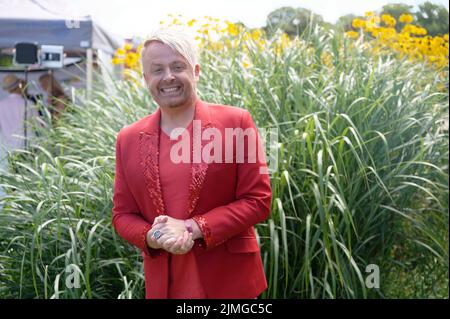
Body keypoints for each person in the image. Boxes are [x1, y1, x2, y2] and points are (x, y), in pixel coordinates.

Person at [112, 28, 272, 299]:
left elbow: (258, 200)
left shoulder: (237, 123)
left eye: (178, 66)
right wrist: (153, 237)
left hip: (231, 286)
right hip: (166, 287)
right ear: (145, 79)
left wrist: (192, 228)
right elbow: (122, 215)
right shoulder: (127, 138)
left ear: (195, 71)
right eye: (157, 69)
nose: (169, 77)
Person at [0, 74, 39, 152]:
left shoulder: (1, 104)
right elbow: (37, 124)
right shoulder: (28, 103)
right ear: (19, 85)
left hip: (9, 147)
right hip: (28, 145)